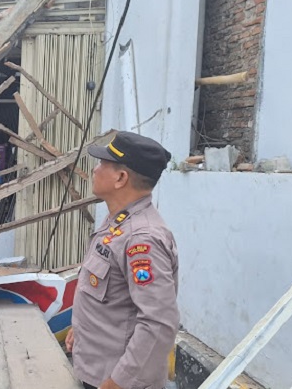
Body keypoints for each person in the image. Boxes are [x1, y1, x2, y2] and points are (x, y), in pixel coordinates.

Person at [65, 131, 179, 389]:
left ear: (120, 178)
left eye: (103, 164)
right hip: (96, 368)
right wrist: (81, 330)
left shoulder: (142, 239)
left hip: (114, 380)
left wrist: (119, 383)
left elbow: (159, 324)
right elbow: (112, 296)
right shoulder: (118, 221)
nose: (95, 170)